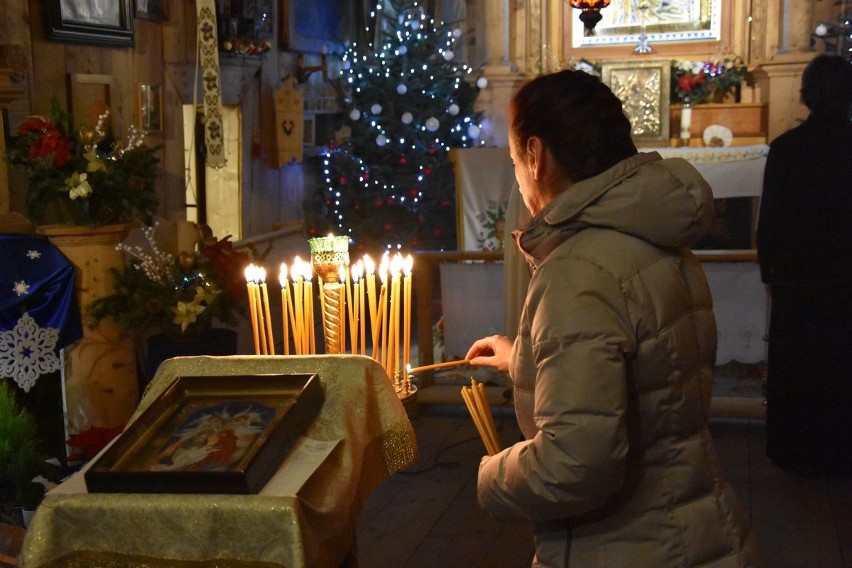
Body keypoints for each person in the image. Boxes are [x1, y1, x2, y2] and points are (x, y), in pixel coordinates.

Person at [465, 70, 764, 567]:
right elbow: (648, 373)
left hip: (625, 545)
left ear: (536, 156)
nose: (518, 177)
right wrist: (528, 360)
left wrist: (490, 477)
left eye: (515, 160)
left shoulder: (577, 271)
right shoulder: (651, 237)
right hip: (696, 528)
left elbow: (575, 465)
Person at [755, 54, 852, 478]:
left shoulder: (786, 148)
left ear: (806, 96)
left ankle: (796, 448)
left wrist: (767, 271)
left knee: (799, 362)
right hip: (845, 274)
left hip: (797, 275)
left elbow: (770, 217)